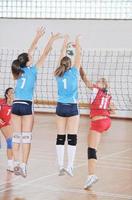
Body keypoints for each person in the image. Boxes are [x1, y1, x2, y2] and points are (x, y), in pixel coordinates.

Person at [11, 27, 61, 178]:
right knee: (26, 137)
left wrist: (37, 37)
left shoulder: (18, 71)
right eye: (30, 58)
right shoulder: (32, 70)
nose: (32, 58)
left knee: (16, 136)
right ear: (28, 61)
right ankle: (24, 166)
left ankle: (16, 164)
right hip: (26, 105)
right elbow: (44, 53)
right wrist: (51, 40)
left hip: (15, 105)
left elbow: (29, 51)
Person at [80, 67, 116, 189]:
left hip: (98, 121)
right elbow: (113, 110)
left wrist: (81, 69)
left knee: (91, 149)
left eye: (100, 81)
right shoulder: (108, 95)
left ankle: (91, 175)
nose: (97, 81)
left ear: (103, 85)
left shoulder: (96, 89)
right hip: (106, 121)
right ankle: (91, 174)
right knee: (92, 145)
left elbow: (85, 80)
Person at [54, 35, 81, 177]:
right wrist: (77, 42)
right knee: (72, 137)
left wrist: (64, 42)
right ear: (70, 64)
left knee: (60, 137)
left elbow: (61, 54)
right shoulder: (75, 72)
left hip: (60, 107)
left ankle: (60, 166)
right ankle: (70, 166)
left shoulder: (58, 73)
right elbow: (79, 55)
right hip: (72, 107)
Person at [0, 87, 14, 172]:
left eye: (14, 92)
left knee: (10, 142)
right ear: (7, 95)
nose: (13, 94)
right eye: (11, 92)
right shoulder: (1, 103)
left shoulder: (15, 105)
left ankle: (10, 165)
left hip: (5, 124)